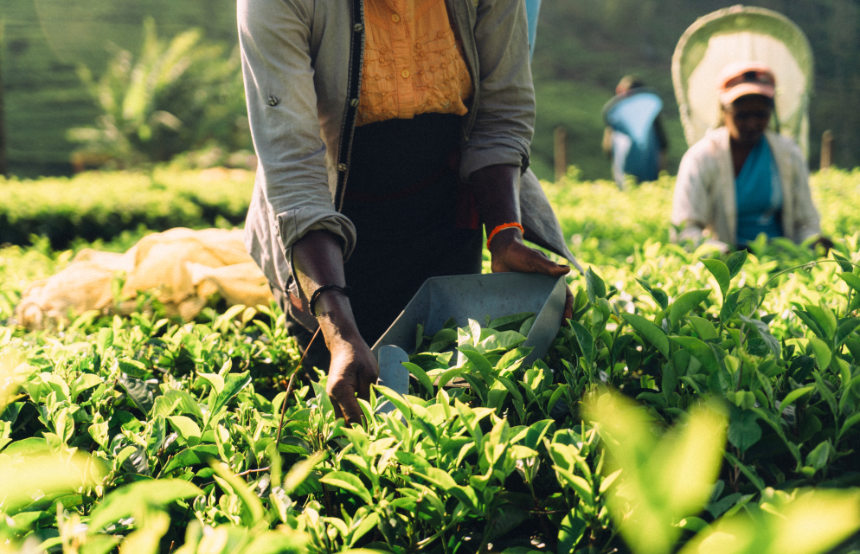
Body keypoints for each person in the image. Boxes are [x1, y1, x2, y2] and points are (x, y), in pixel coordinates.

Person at [237, 0, 577, 425]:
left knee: (451, 400)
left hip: (444, 215)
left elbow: (501, 113)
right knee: (349, 416)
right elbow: (294, 166)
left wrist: (505, 234)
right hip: (326, 242)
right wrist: (339, 332)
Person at [671, 61, 830, 252]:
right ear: (724, 111)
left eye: (760, 115)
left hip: (781, 261)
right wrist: (721, 254)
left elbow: (805, 221)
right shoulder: (702, 157)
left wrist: (814, 241)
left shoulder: (788, 154)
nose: (752, 123)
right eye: (742, 115)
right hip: (727, 264)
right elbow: (684, 230)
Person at [602, 75, 669, 188]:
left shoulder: (650, 120)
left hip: (646, 174)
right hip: (630, 176)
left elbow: (662, 147)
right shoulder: (617, 120)